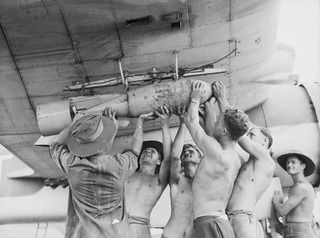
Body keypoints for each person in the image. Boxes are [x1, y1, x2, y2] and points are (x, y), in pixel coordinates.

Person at [50, 108, 154, 238]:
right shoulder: (119, 165)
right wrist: (139, 123)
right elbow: (135, 151)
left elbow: (54, 145)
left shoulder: (72, 165)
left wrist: (74, 124)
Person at [206, 80, 276, 238]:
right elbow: (215, 142)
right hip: (228, 217)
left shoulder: (267, 160)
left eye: (254, 131)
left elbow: (241, 135)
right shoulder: (245, 163)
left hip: (242, 218)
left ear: (265, 141)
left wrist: (222, 99)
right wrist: (209, 110)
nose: (249, 131)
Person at [185, 81, 251, 238]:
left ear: (224, 131)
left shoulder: (216, 152)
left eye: (218, 121)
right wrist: (221, 100)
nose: (215, 122)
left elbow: (191, 123)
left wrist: (194, 99)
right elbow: (213, 133)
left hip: (211, 222)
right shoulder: (236, 158)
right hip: (214, 221)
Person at [125, 106, 172, 238]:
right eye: (145, 151)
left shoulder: (158, 180)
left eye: (153, 152)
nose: (147, 152)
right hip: (117, 224)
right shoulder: (128, 173)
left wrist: (164, 124)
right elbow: (134, 149)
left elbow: (168, 159)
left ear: (159, 161)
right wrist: (139, 122)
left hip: (140, 226)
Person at [162, 105, 203, 238]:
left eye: (191, 150)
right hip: (172, 234)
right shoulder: (177, 180)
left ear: (200, 157)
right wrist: (183, 123)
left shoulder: (207, 179)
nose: (186, 152)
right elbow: (174, 157)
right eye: (184, 152)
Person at [273, 150, 316, 238]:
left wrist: (276, 203)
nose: (289, 165)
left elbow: (282, 211)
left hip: (300, 232)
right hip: (294, 231)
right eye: (288, 162)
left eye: (293, 162)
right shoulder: (297, 186)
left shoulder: (302, 187)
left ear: (303, 166)